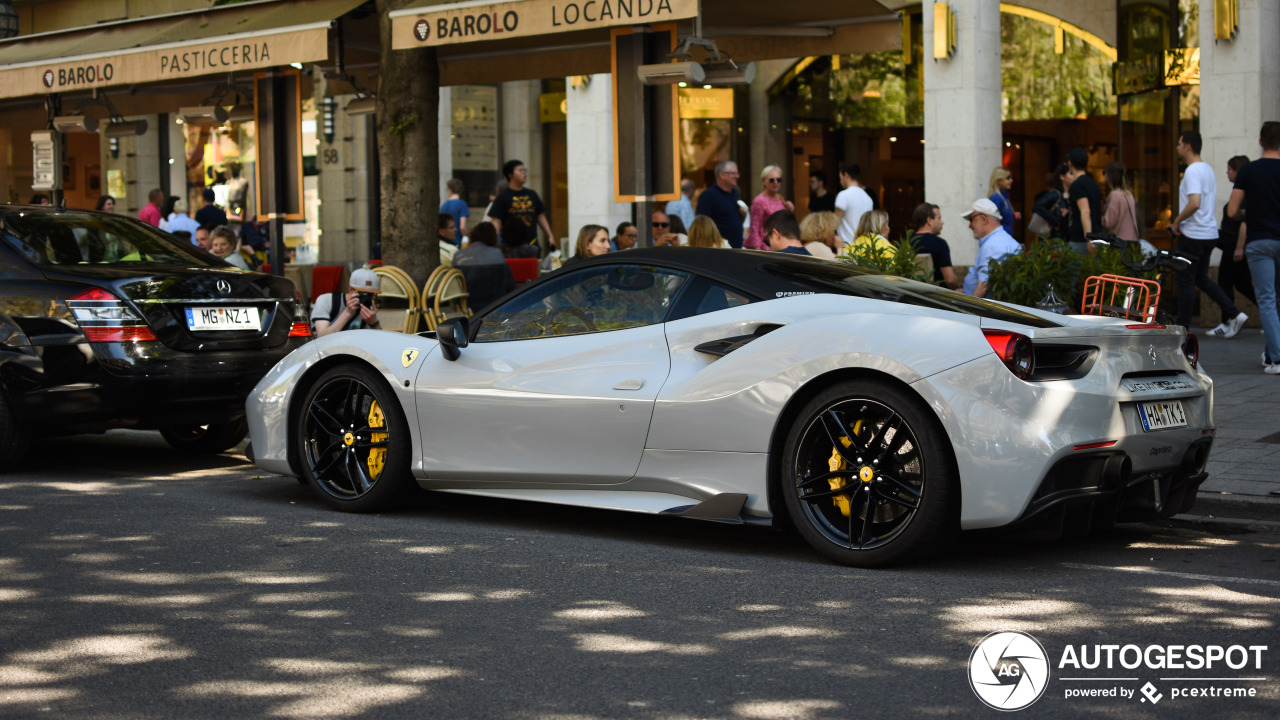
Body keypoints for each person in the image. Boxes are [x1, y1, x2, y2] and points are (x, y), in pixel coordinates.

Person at [1172, 130, 1247, 335]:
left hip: (1193, 234)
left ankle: (1182, 328)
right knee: (1201, 279)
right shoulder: (1207, 169)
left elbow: (1194, 203)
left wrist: (1176, 222)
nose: (1177, 147)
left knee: (1186, 280)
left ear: (1188, 146)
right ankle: (1234, 313)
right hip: (1208, 233)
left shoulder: (1192, 171)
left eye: (1179, 143)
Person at [1227, 121, 1280, 372]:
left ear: (1260, 142)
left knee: (1267, 300)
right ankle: (1271, 355)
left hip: (1259, 241)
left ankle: (1276, 358)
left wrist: (1248, 215)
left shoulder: (1249, 171)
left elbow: (1232, 210)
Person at [1212, 155, 1257, 326]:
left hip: (1235, 245)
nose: (1227, 172)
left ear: (1239, 171)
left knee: (1225, 282)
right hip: (1232, 243)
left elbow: (1244, 223)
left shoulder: (1244, 193)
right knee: (1242, 284)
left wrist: (1239, 248)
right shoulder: (1243, 191)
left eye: (1230, 169)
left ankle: (1228, 322)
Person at [486, 159, 555, 256]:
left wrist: (550, 236)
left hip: (532, 245)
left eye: (524, 170)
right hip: (510, 248)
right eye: (520, 171)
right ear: (510, 175)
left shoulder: (532, 194)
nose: (524, 173)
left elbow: (541, 216)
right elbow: (496, 221)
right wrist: (494, 242)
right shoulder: (503, 197)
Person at [961, 198, 1021, 298]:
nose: (970, 225)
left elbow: (983, 287)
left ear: (984, 219)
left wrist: (967, 311)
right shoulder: (997, 240)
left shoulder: (993, 245)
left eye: (972, 220)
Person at [452, 221, 516, 309]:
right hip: (494, 308)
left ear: (473, 235)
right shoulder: (497, 254)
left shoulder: (458, 255)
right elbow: (509, 286)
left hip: (466, 309)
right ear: (493, 237)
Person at [312, 268, 383, 336]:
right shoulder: (326, 301)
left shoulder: (370, 309)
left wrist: (374, 323)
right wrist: (347, 313)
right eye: (363, 294)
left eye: (371, 294)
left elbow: (378, 342)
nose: (367, 298)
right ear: (351, 290)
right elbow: (321, 337)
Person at [910, 202, 960, 289]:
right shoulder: (939, 244)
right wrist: (958, 287)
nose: (942, 222)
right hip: (937, 296)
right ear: (929, 220)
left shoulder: (905, 243)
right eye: (939, 218)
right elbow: (950, 280)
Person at [695, 160, 744, 248]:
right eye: (734, 173)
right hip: (719, 250)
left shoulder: (734, 193)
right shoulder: (708, 196)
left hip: (736, 249)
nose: (738, 176)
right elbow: (701, 225)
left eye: (737, 173)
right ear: (722, 175)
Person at [746, 165, 794, 250]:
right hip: (766, 246)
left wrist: (789, 210)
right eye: (772, 180)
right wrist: (758, 251)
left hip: (780, 245)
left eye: (778, 180)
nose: (775, 182)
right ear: (763, 182)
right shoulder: (759, 201)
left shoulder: (780, 198)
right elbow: (754, 228)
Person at [1064, 148, 1102, 254]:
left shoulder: (1078, 185)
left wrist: (1088, 238)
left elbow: (1085, 211)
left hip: (1080, 240)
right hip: (1096, 237)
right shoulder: (1094, 184)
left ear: (1070, 163)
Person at [834, 162, 874, 247]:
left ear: (846, 175)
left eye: (840, 177)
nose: (840, 181)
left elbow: (835, 221)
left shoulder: (843, 195)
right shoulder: (868, 198)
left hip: (846, 246)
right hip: (863, 246)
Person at [1101, 162, 1140, 242]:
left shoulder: (1115, 195)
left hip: (1119, 241)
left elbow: (1108, 222)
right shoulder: (1128, 194)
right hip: (1132, 240)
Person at [1031, 165, 1070, 240]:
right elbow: (1037, 206)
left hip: (1060, 236)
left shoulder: (1068, 195)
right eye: (1070, 173)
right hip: (1053, 237)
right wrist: (1055, 222)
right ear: (1061, 177)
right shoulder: (1055, 194)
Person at [988, 167, 1019, 236]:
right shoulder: (996, 198)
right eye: (1008, 178)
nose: (1011, 180)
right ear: (999, 180)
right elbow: (993, 222)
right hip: (1001, 239)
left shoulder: (1004, 197)